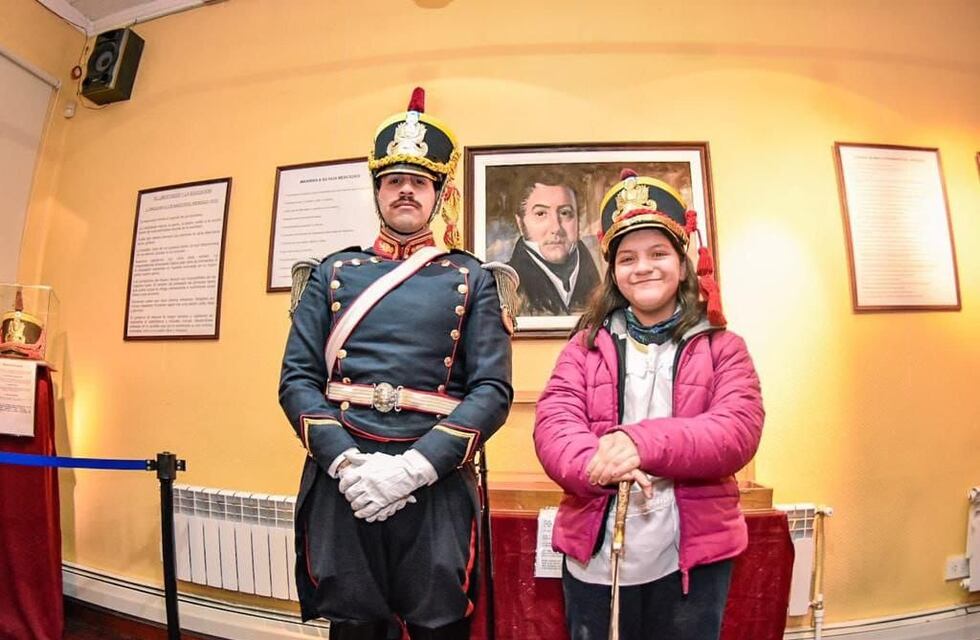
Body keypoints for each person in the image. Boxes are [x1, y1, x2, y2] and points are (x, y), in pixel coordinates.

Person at [279, 87, 515, 640]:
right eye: (392, 181)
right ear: (378, 191)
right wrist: (346, 464)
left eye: (419, 181)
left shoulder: (474, 277)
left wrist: (415, 467)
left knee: (439, 625)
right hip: (347, 475)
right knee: (355, 626)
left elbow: (491, 390)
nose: (405, 190)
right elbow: (297, 380)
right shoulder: (331, 272)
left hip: (435, 475)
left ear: (438, 194)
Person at [533, 169, 764, 640]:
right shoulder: (585, 346)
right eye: (628, 258)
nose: (643, 268)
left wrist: (638, 443)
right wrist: (594, 461)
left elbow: (736, 431)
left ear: (681, 262)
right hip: (597, 553)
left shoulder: (725, 347)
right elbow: (554, 422)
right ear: (614, 272)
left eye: (658, 253)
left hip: (690, 556)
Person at [506, 174, 600, 316]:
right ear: (520, 223)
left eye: (565, 213)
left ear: (578, 221)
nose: (556, 228)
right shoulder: (501, 288)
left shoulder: (604, 286)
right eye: (541, 214)